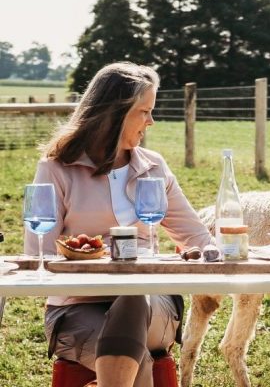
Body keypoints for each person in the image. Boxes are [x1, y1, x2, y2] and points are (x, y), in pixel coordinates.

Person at [24, 62, 213, 387]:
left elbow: (198, 237)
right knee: (131, 353)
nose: (151, 121)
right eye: (144, 111)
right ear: (115, 113)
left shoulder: (154, 167)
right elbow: (38, 256)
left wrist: (204, 252)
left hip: (154, 306)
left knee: (135, 292)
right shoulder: (56, 169)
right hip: (76, 308)